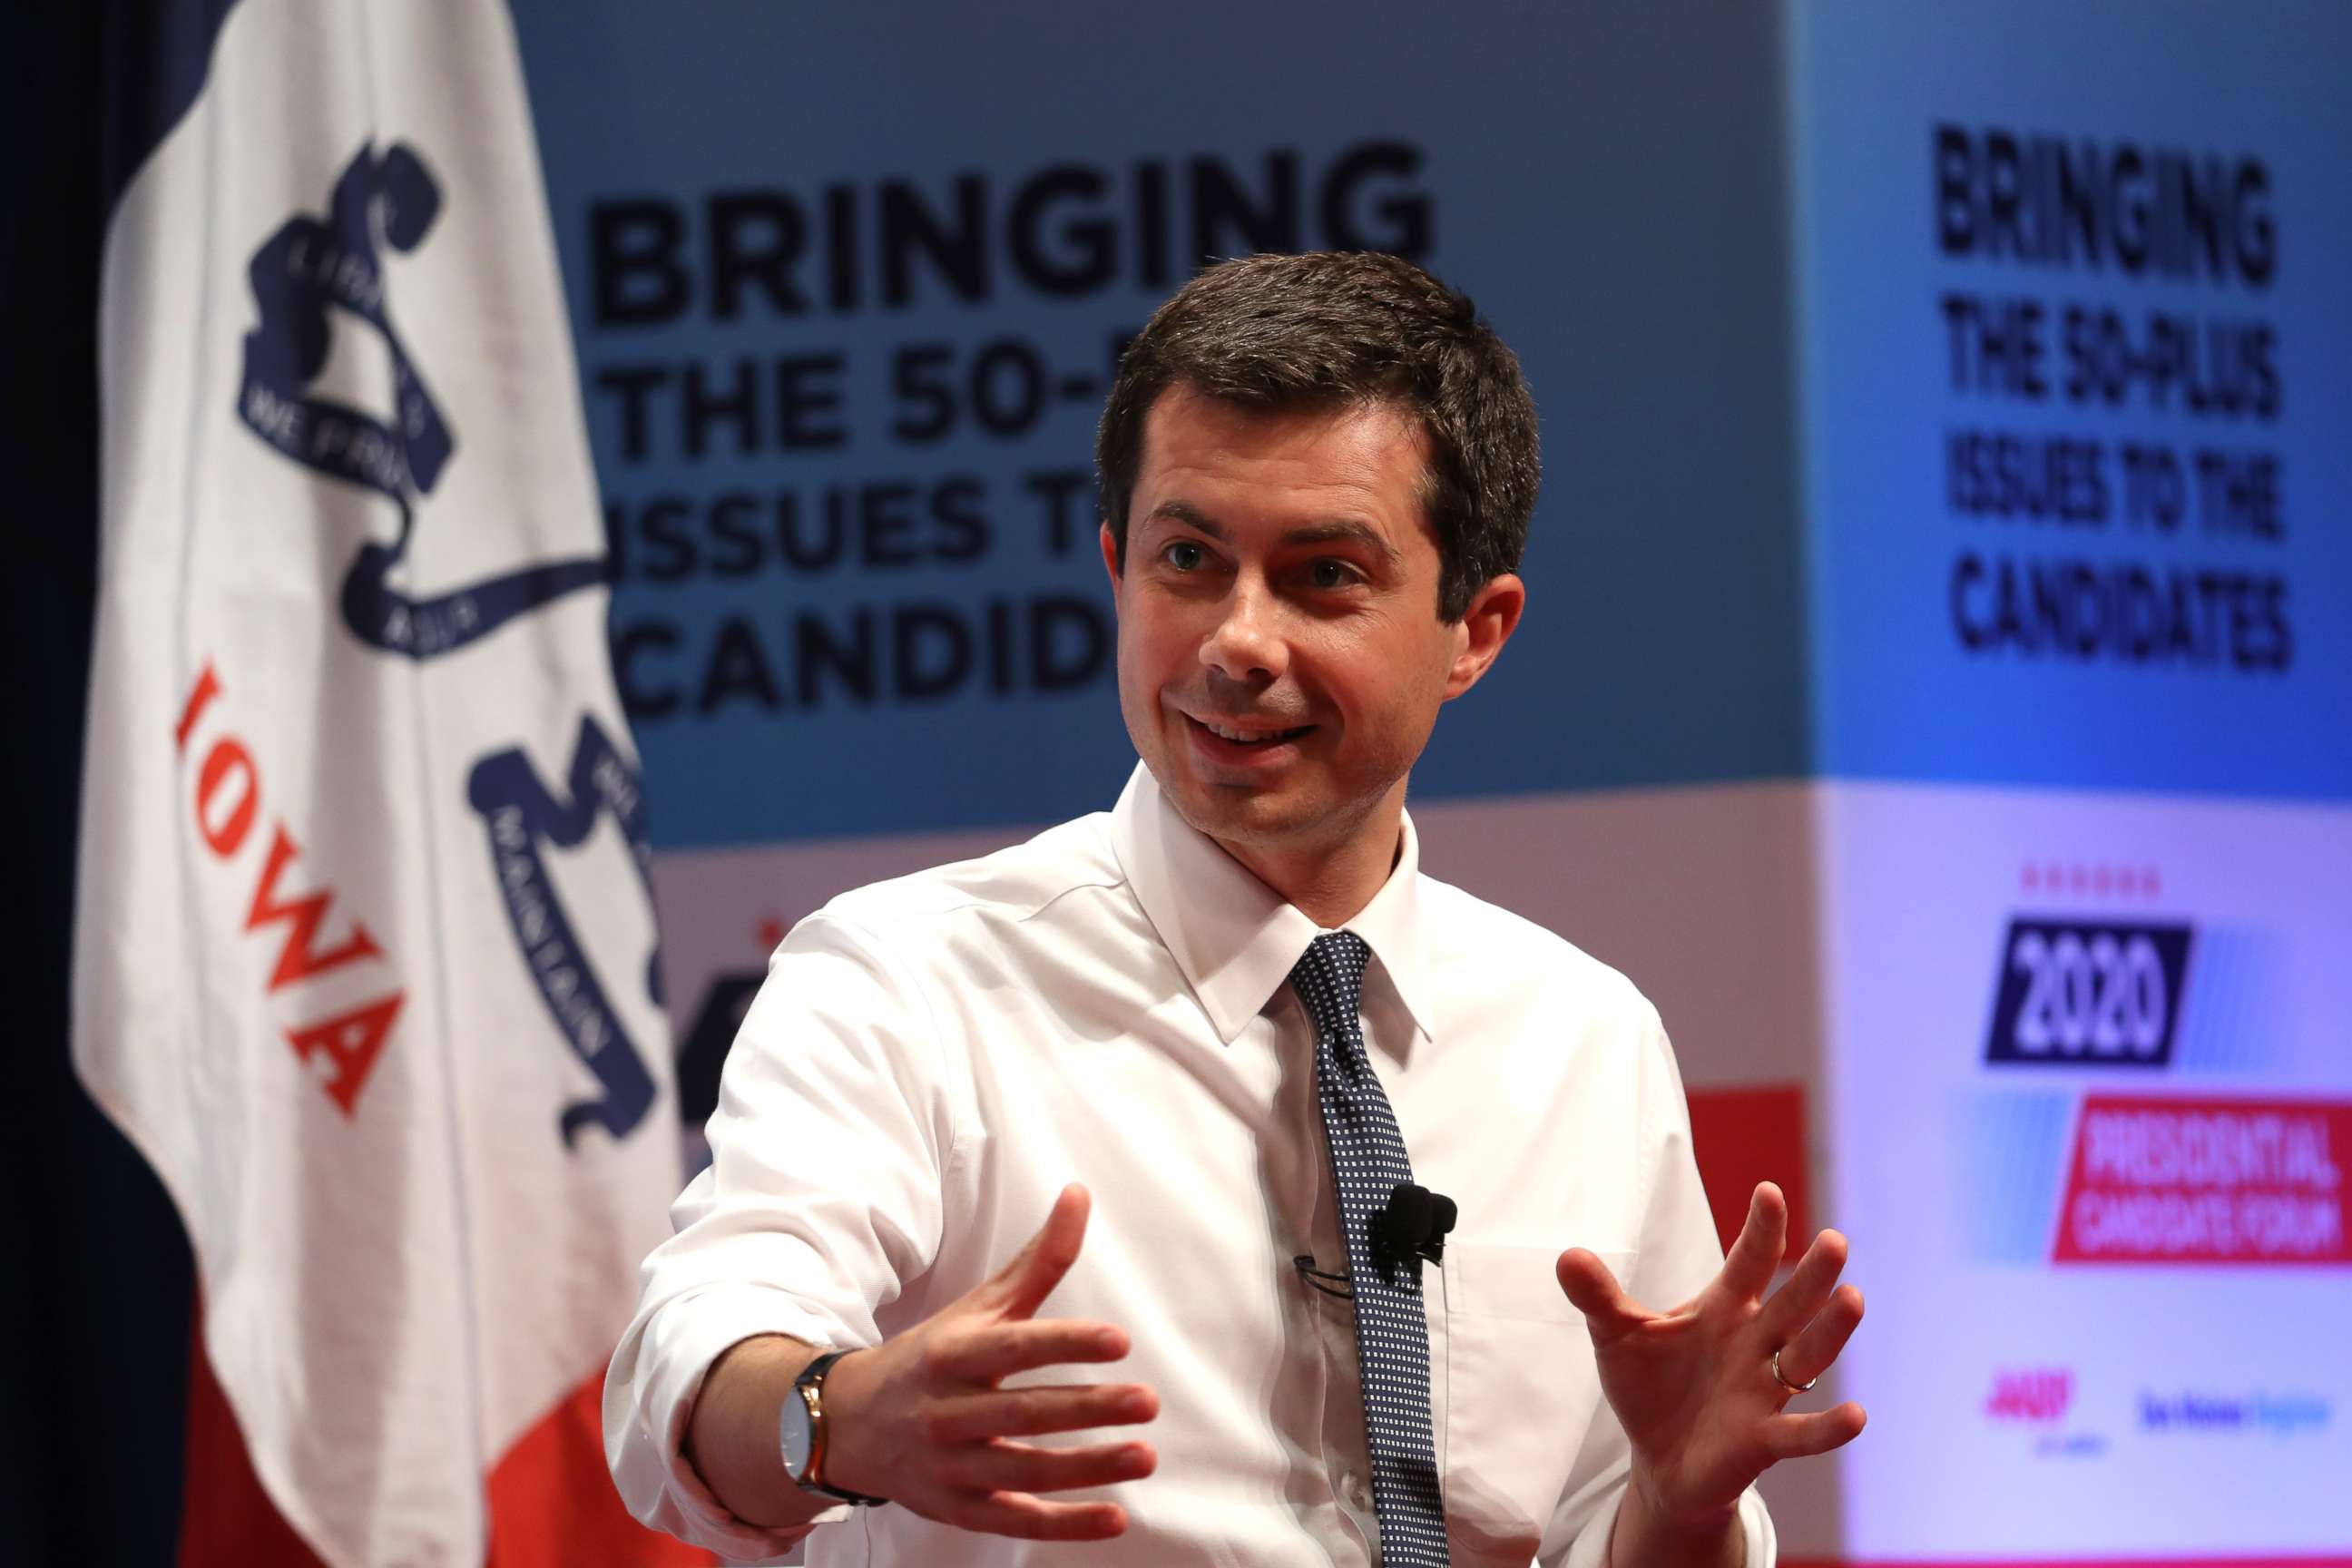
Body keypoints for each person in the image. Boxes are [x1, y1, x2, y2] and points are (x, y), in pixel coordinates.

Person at [603, 250, 1866, 1567]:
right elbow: (685, 1363)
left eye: (1324, 576)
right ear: (1116, 565)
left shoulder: (1585, 1042)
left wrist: (1683, 1504)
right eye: (1190, 559)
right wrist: (836, 1419)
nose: (1235, 641)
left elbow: (1632, 1527)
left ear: (1474, 630)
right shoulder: (907, 980)